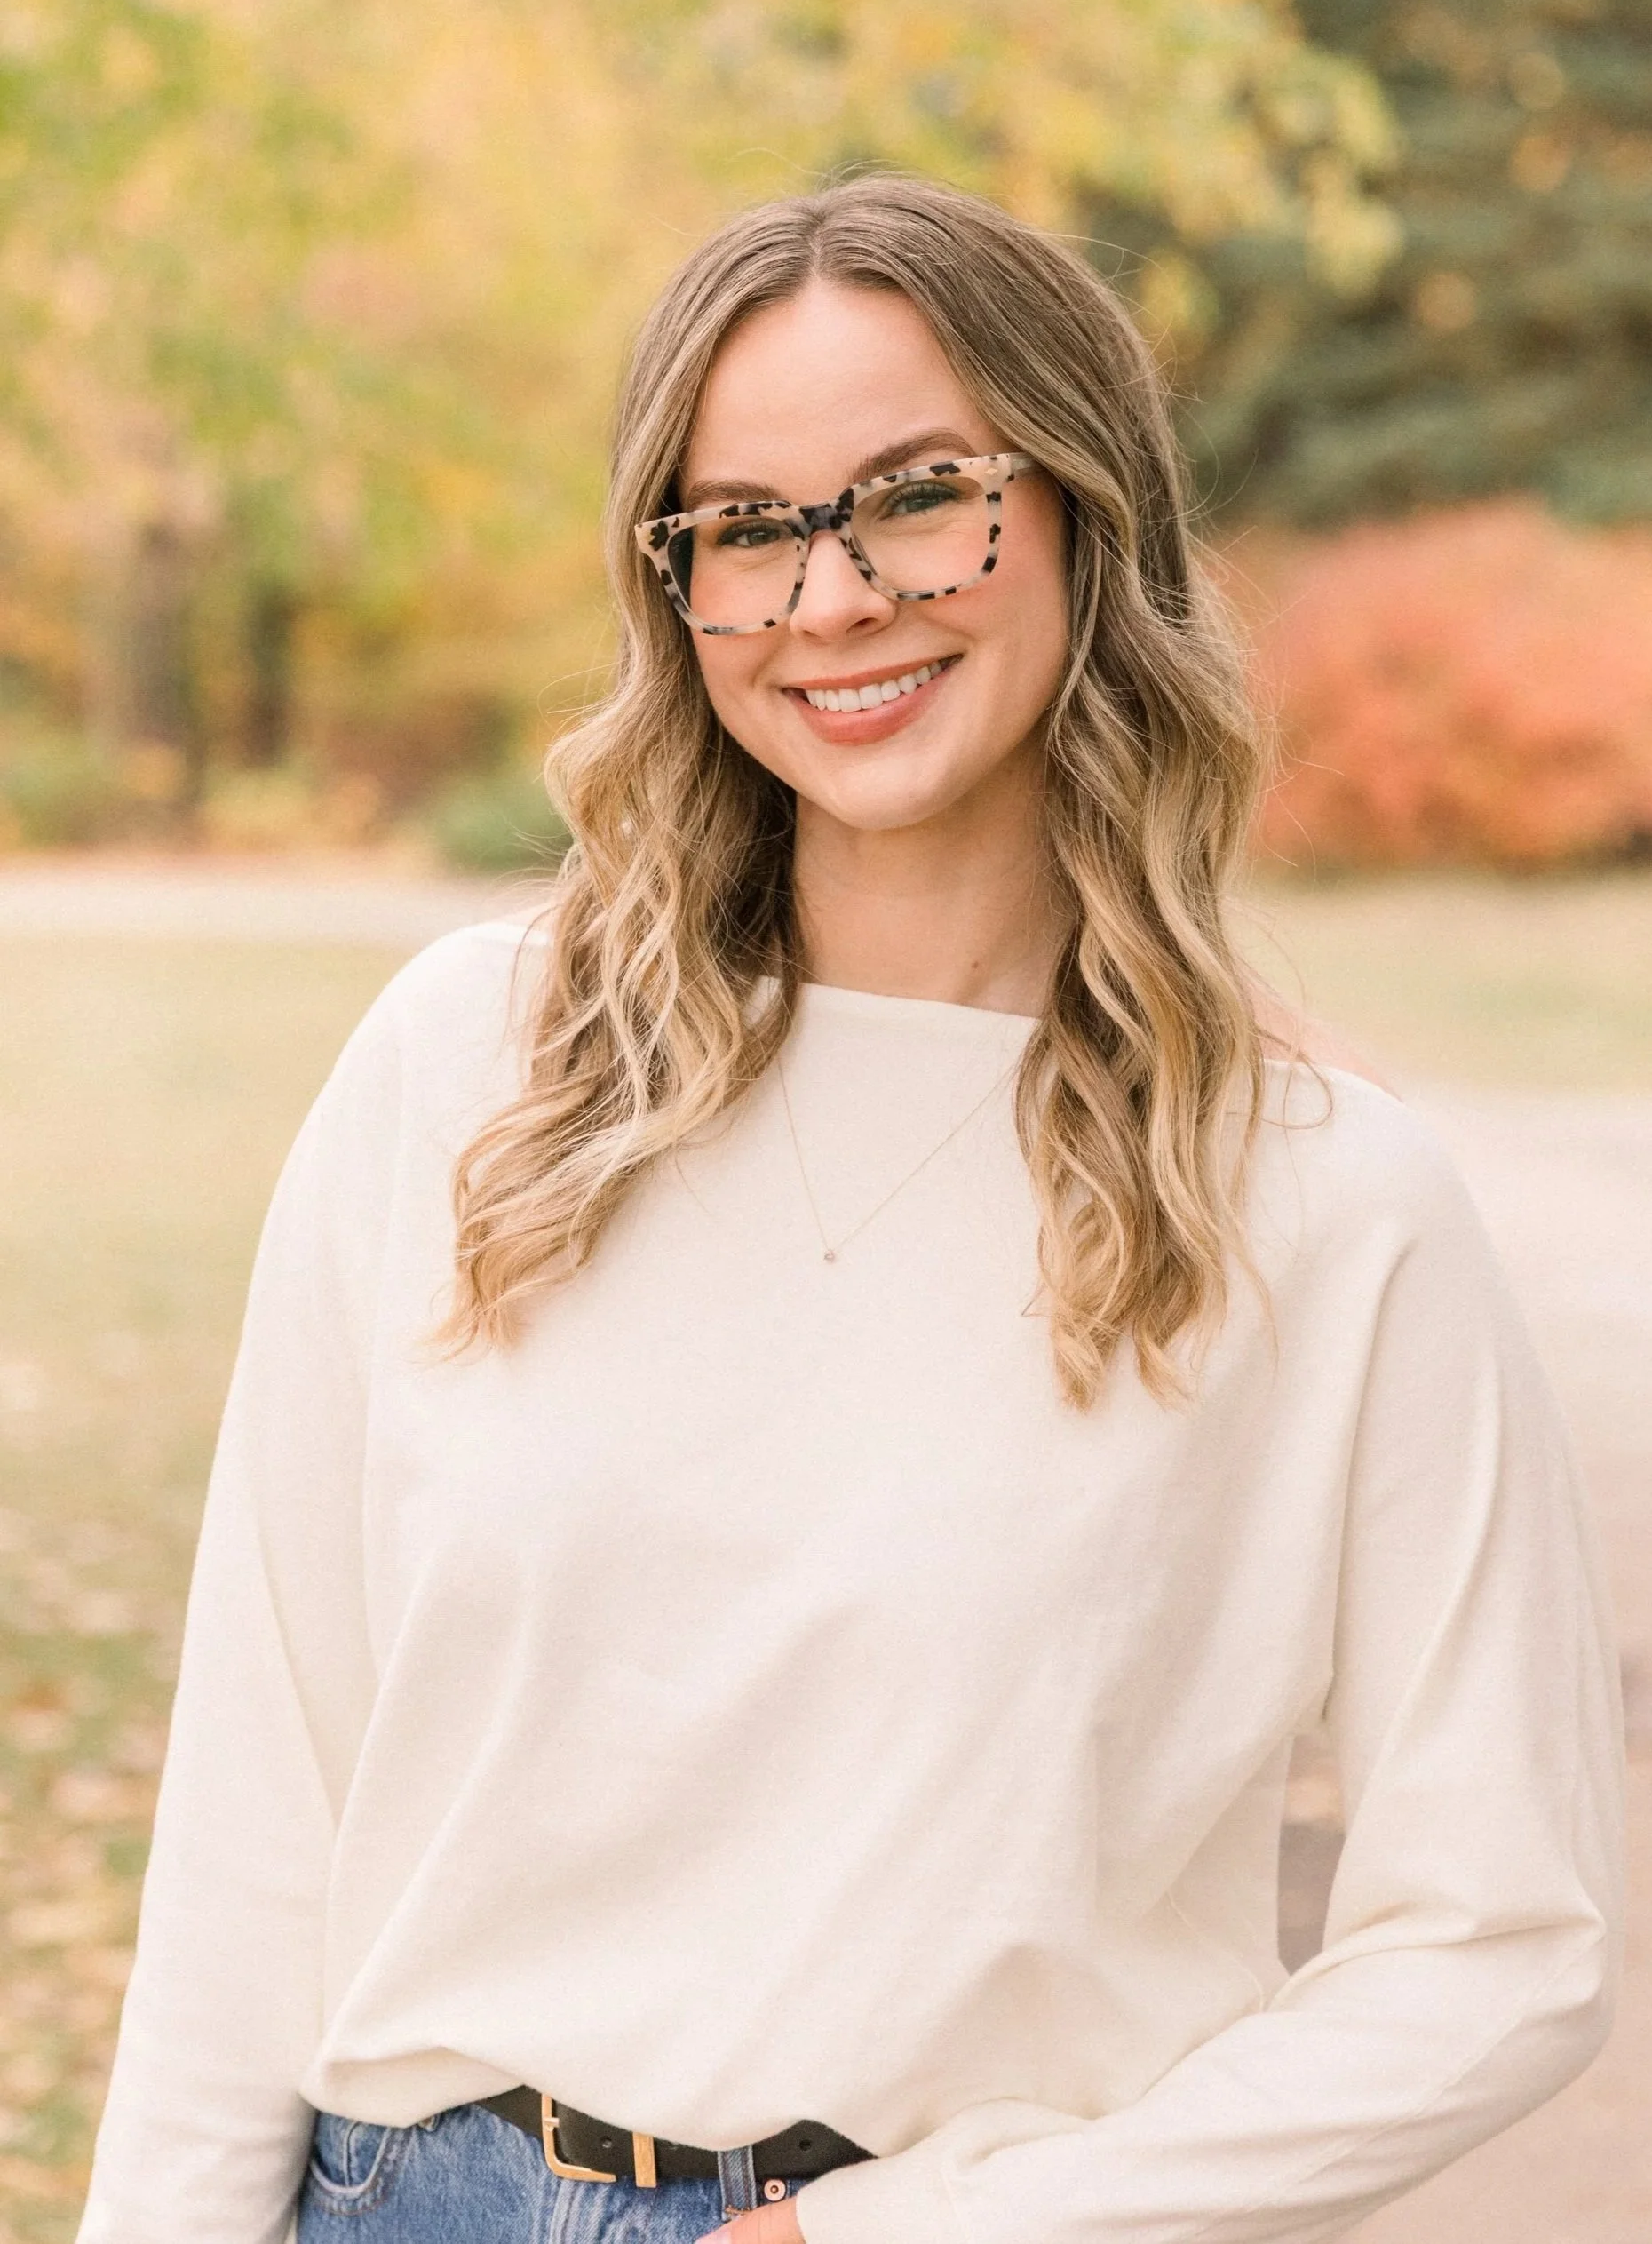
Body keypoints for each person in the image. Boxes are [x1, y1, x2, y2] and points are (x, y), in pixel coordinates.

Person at [78, 177, 1622, 2244]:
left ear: (1087, 511)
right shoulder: (467, 1075)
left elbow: (1500, 1948)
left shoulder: (1327, 1210)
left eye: (919, 495)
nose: (830, 600)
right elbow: (263, 1810)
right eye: (743, 529)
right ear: (675, 586)